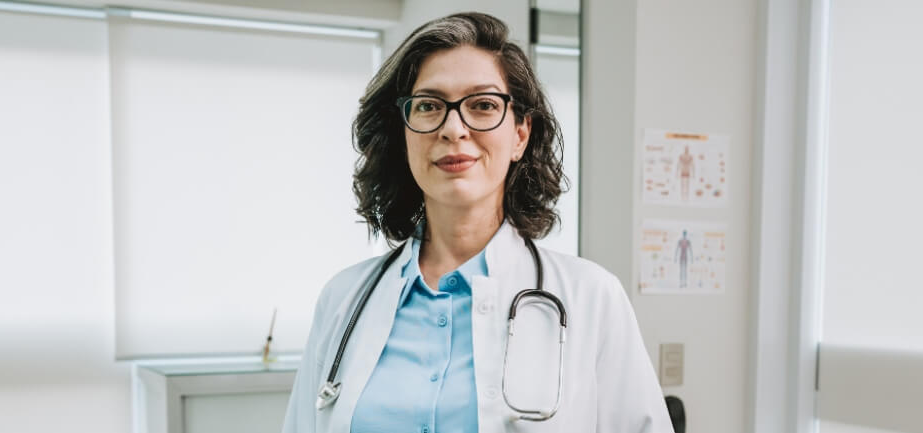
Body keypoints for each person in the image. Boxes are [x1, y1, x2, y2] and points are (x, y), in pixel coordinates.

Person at [282, 12, 672, 433]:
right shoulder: (344, 298)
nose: (453, 129)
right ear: (404, 134)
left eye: (483, 105)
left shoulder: (592, 298)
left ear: (520, 134)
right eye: (429, 106)